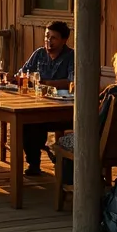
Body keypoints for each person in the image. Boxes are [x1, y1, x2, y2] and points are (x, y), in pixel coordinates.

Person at [53, 47, 117, 181]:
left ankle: (73, 185)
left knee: (63, 140)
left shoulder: (114, 92)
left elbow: (98, 123)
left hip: (107, 147)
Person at [19, 20, 75, 175]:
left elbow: (72, 82)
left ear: (64, 40)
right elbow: (23, 73)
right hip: (37, 104)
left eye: (53, 38)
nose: (48, 41)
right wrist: (13, 77)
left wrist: (46, 83)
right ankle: (34, 163)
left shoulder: (71, 56)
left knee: (32, 124)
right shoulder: (39, 53)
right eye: (46, 36)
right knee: (26, 123)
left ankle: (39, 160)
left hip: (61, 109)